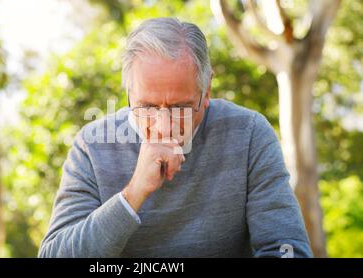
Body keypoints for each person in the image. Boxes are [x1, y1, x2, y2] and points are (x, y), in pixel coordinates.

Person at [38, 17, 312, 258]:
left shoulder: (250, 133)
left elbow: (287, 248)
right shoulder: (92, 146)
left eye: (180, 107)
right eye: (147, 107)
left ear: (206, 92)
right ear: (129, 94)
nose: (164, 125)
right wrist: (133, 194)